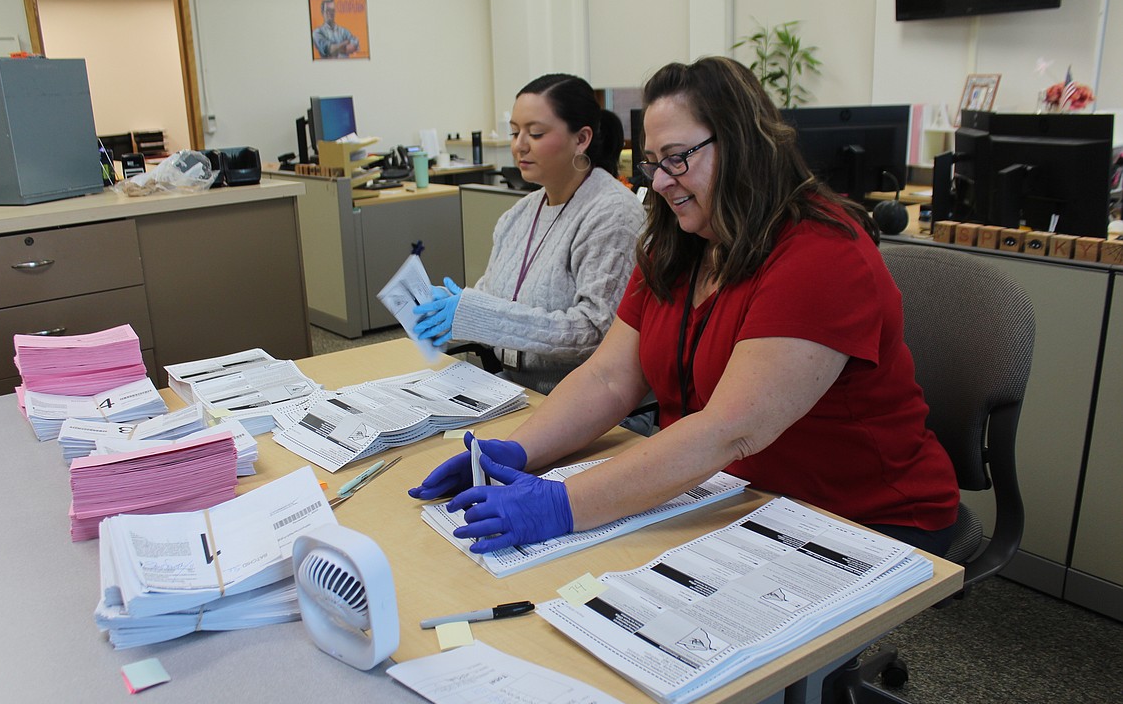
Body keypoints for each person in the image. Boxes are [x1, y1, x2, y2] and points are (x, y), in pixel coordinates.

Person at [410, 56, 960, 558]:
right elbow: (607, 378)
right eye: (651, 164)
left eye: (677, 159)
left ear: (744, 143)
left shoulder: (821, 255)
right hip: (725, 490)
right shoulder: (678, 240)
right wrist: (516, 451)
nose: (661, 183)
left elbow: (730, 429)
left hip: (852, 515)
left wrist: (563, 504)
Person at [412, 74, 645, 395]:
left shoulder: (613, 214)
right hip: (513, 390)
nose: (519, 145)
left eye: (535, 133)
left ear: (581, 139)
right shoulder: (518, 215)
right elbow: (494, 303)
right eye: (514, 132)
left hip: (588, 404)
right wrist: (452, 317)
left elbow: (595, 332)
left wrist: (479, 314)